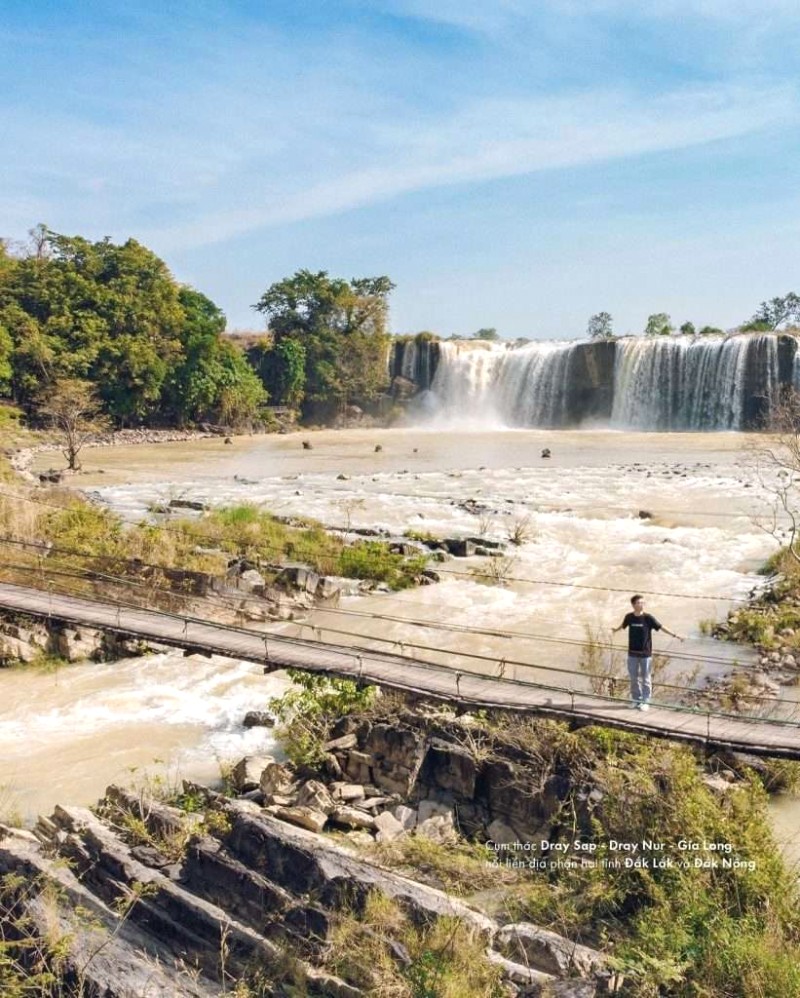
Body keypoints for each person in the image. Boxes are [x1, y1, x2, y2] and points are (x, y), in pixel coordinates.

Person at [611, 595, 683, 711]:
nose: (641, 604)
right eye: (639, 603)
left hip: (645, 654)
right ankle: (636, 699)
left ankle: (645, 701)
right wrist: (615, 630)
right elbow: (622, 626)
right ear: (633, 605)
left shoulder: (648, 618)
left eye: (642, 602)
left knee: (646, 678)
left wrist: (675, 635)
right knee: (633, 678)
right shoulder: (629, 617)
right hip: (632, 653)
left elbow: (661, 627)